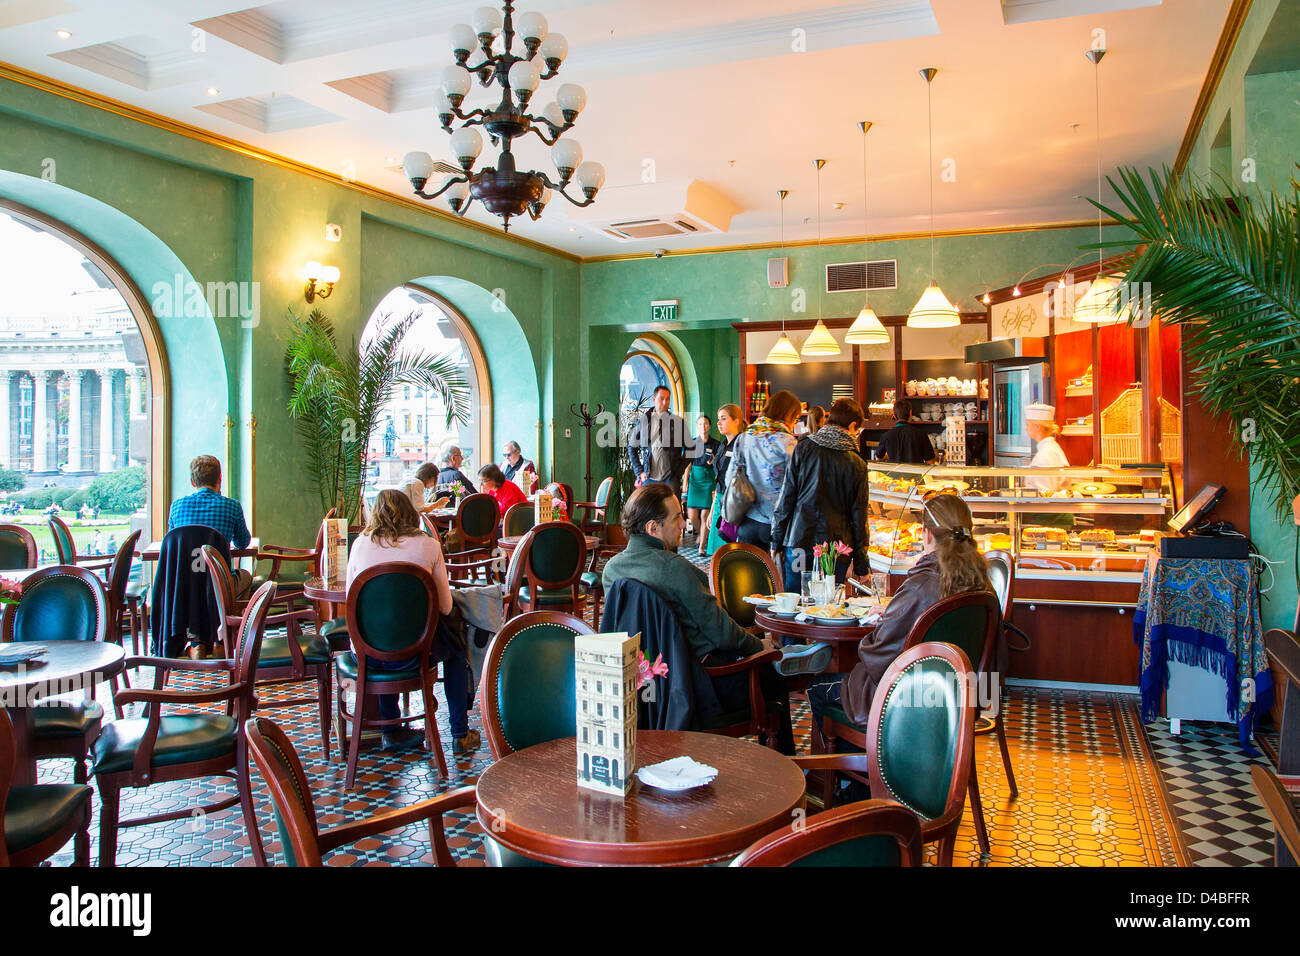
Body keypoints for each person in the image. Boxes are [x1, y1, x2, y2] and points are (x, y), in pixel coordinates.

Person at [602, 484, 832, 755]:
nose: (684, 522)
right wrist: (760, 648)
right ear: (653, 528)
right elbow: (721, 634)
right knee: (772, 676)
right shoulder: (674, 568)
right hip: (702, 684)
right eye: (677, 517)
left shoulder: (611, 570)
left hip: (645, 688)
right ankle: (785, 769)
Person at [805, 494, 993, 737]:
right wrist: (898, 611)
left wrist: (881, 625)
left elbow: (880, 652)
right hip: (962, 697)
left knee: (818, 687)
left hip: (908, 700)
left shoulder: (921, 584)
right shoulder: (983, 583)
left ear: (926, 534)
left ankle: (854, 771)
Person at [346, 489, 479, 754]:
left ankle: (390, 730)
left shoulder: (360, 544)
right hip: (419, 652)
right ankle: (459, 734)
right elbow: (445, 606)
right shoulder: (428, 545)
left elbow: (352, 598)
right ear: (411, 513)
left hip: (369, 653)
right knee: (454, 648)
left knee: (382, 632)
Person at [771, 398, 870, 591]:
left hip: (799, 543)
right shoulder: (856, 462)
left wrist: (777, 539)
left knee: (796, 599)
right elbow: (859, 516)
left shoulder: (804, 447)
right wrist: (860, 563)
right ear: (852, 426)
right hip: (835, 550)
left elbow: (787, 497)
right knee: (828, 605)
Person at [725, 389, 800, 551]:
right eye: (795, 418)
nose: (794, 423)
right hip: (777, 524)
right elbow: (797, 485)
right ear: (787, 415)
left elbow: (729, 477)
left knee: (750, 573)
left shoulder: (745, 437)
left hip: (747, 518)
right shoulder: (788, 442)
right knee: (775, 575)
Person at [168, 455, 253, 596]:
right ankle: (230, 614)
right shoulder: (232, 506)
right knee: (246, 576)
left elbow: (172, 544)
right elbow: (243, 543)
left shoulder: (176, 506)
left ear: (192, 482)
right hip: (220, 584)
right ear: (219, 478)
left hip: (185, 584)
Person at [629, 385, 689, 495]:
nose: (665, 402)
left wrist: (679, 470)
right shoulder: (643, 421)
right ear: (654, 399)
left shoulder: (677, 422)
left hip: (670, 477)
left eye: (667, 399)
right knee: (648, 511)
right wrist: (640, 471)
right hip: (648, 477)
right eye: (661, 398)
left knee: (672, 510)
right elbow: (632, 448)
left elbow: (690, 448)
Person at [703, 404, 746, 557]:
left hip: (734, 503)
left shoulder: (742, 444)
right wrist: (713, 508)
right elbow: (719, 479)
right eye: (718, 419)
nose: (718, 423)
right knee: (716, 551)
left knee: (728, 551)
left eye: (723, 418)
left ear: (736, 421)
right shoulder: (722, 446)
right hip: (720, 499)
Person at [683, 414, 721, 549]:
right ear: (697, 426)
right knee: (692, 515)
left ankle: (702, 546)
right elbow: (687, 465)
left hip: (708, 480)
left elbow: (719, 465)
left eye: (705, 424)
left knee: (705, 515)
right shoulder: (692, 443)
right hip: (695, 480)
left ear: (709, 426)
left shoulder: (716, 444)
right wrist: (685, 482)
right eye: (700, 424)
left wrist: (714, 462)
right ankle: (701, 532)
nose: (702, 426)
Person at [873, 398, 936, 464]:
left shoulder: (886, 436)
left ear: (894, 415)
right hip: (916, 473)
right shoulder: (920, 434)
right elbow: (930, 461)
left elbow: (878, 458)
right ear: (910, 413)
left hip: (893, 473)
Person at [1025, 402, 1070, 492]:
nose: (1025, 428)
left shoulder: (1046, 453)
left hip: (1046, 505)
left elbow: (1045, 494)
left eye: (1028, 424)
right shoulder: (1051, 448)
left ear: (1037, 427)